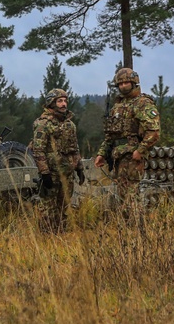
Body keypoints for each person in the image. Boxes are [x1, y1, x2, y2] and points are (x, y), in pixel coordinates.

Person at [94, 68, 160, 212]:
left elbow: (153, 132)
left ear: (134, 82)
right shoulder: (117, 107)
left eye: (126, 83)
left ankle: (135, 228)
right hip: (118, 157)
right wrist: (102, 154)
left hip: (133, 157)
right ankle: (126, 229)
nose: (123, 86)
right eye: (120, 84)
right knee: (122, 194)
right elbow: (111, 135)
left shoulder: (142, 103)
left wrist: (140, 151)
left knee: (131, 194)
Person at [30, 88, 83, 232]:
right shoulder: (43, 124)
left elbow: (75, 148)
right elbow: (38, 150)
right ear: (52, 103)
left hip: (67, 174)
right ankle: (47, 239)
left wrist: (79, 168)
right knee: (48, 209)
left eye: (65, 101)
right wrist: (45, 173)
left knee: (64, 207)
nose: (63, 104)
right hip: (52, 174)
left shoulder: (69, 124)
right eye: (60, 101)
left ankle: (61, 236)